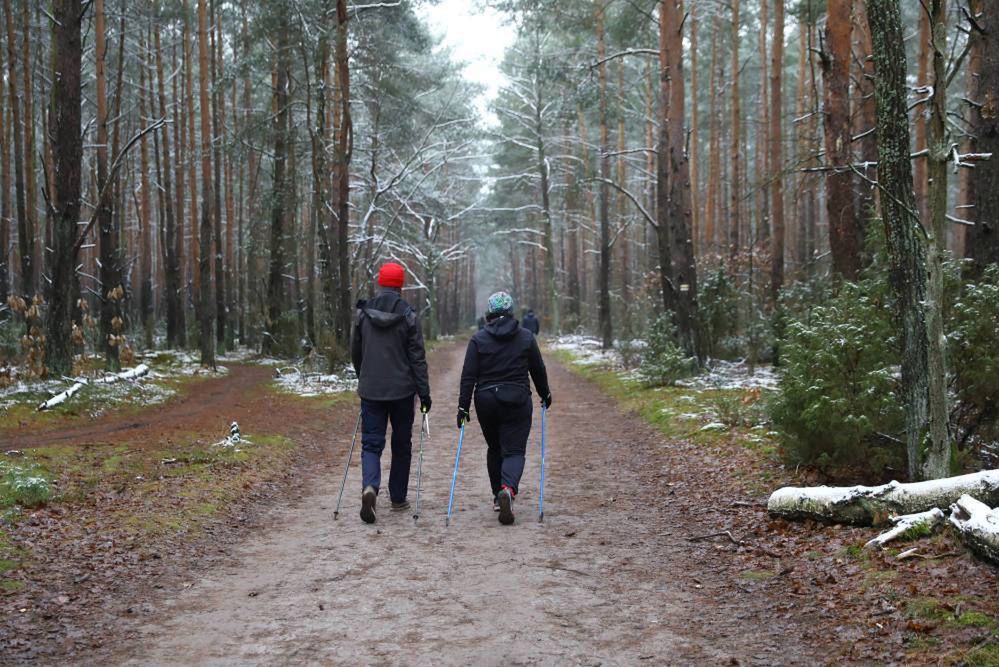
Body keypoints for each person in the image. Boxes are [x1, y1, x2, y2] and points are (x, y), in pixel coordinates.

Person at [456, 291, 552, 525]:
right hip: (517, 398)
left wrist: (463, 407)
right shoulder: (526, 337)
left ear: (489, 313)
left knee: (495, 447)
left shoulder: (478, 339)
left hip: (486, 399)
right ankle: (508, 488)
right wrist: (545, 393)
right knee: (514, 450)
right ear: (511, 312)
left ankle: (498, 498)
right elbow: (537, 369)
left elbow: (468, 376)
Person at [350, 262, 431, 524]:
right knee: (401, 443)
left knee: (371, 443)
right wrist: (424, 393)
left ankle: (370, 487)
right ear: (400, 285)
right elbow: (417, 357)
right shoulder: (409, 315)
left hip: (372, 389)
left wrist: (363, 374)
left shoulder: (364, 314)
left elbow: (356, 350)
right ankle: (398, 498)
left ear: (380, 282)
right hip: (402, 391)